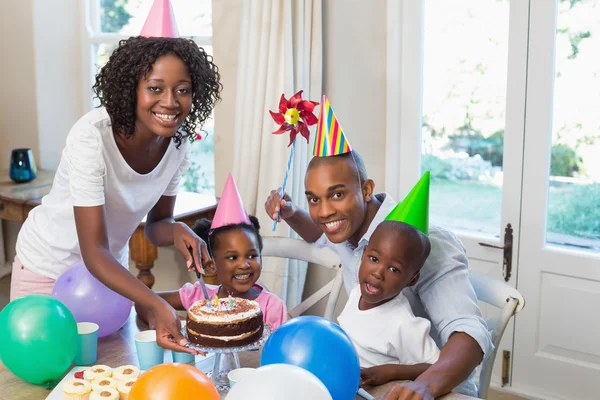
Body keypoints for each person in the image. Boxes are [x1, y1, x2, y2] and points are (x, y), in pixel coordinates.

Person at [12, 4, 221, 355]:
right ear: (131, 88)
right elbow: (93, 251)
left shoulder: (179, 144)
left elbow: (156, 226)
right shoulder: (91, 136)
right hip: (46, 269)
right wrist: (154, 301)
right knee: (44, 380)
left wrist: (178, 230)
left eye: (182, 89)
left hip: (108, 281)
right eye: (155, 88)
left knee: (109, 375)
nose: (170, 102)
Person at [264, 96, 491, 398]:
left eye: (337, 194)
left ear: (367, 189)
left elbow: (469, 331)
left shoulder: (427, 241)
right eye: (314, 199)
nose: (324, 212)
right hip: (365, 376)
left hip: (431, 386)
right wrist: (292, 214)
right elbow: (319, 234)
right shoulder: (346, 226)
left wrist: (424, 385)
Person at [136, 175, 287, 331]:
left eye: (252, 256)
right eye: (232, 257)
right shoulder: (199, 296)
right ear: (211, 265)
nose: (244, 264)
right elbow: (143, 302)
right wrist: (156, 319)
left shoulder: (272, 306)